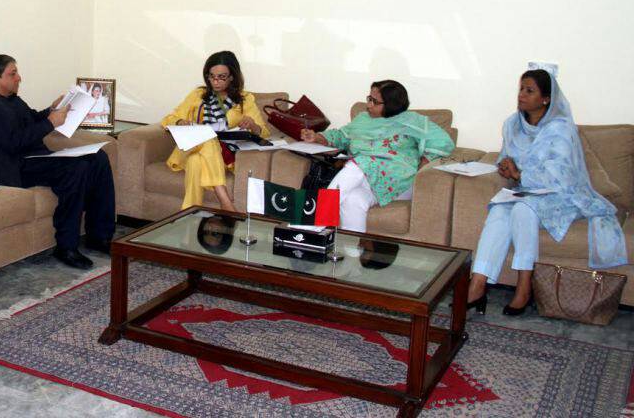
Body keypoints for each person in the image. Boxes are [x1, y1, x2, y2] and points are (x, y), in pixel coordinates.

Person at [466, 67, 628, 316]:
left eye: (529, 91)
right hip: (525, 192)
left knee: (522, 209)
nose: (521, 95)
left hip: (563, 196)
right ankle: (477, 285)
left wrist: (520, 174)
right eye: (521, 89)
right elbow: (506, 156)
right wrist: (506, 167)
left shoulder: (561, 129)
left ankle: (524, 286)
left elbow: (562, 175)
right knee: (499, 211)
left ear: (546, 99)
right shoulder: (512, 124)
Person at [0, 55, 117, 270]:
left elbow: (32, 119)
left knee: (98, 157)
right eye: (13, 73)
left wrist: (51, 110)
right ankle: (66, 246)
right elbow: (11, 142)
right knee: (76, 167)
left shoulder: (12, 99)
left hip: (34, 159)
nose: (19, 78)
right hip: (10, 168)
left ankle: (100, 235)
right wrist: (49, 123)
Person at [301, 80, 455, 232]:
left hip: (399, 181)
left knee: (357, 164)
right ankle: (353, 252)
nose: (368, 105)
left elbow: (443, 142)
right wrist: (316, 137)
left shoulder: (413, 121)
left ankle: (316, 221)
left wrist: (423, 164)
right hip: (365, 179)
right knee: (353, 199)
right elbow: (341, 136)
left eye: (374, 101)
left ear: (391, 104)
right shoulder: (362, 119)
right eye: (369, 98)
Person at [162, 51, 270, 213]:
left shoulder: (244, 99)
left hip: (222, 156)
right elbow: (169, 119)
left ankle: (188, 216)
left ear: (232, 76)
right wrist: (179, 121)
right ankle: (224, 200)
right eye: (211, 76)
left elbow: (264, 132)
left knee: (195, 162)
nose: (215, 81)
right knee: (208, 137)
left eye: (222, 77)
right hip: (190, 146)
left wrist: (252, 125)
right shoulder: (198, 94)